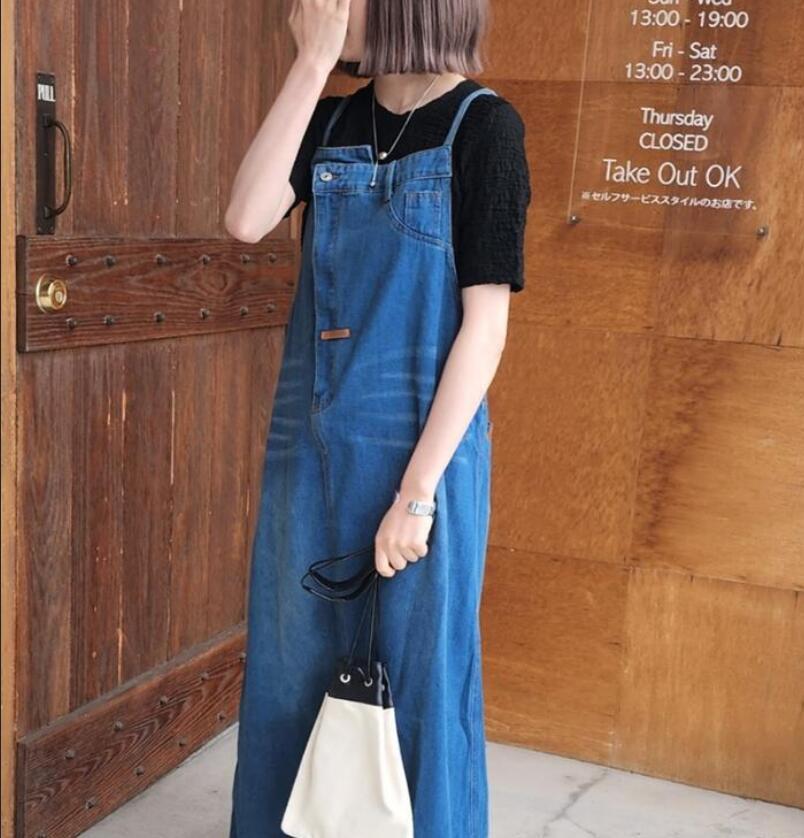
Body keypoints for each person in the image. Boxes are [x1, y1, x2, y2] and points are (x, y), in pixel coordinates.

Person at [224, 0, 531, 835]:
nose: (317, 6)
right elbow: (246, 219)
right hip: (308, 451)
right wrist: (309, 65)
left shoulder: (484, 128)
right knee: (289, 674)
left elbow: (485, 328)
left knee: (421, 687)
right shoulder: (328, 121)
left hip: (422, 456)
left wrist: (418, 493)